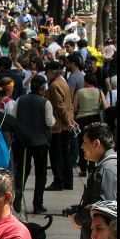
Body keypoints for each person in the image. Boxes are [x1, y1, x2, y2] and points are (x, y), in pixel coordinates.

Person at [70, 122, 117, 239]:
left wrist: (78, 219)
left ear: (96, 143)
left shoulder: (105, 169)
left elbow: (102, 207)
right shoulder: (108, 165)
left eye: (85, 142)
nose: (82, 146)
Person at [10, 75, 56, 214]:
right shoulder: (45, 103)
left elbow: (13, 117)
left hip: (23, 142)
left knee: (22, 171)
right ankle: (38, 204)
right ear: (43, 88)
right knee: (41, 174)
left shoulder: (20, 100)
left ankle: (18, 195)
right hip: (40, 142)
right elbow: (50, 122)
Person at [44, 60, 76, 191]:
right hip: (65, 123)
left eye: (47, 72)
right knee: (65, 154)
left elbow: (60, 106)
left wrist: (68, 122)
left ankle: (59, 181)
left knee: (56, 155)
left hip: (58, 125)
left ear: (51, 72)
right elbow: (69, 105)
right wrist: (70, 120)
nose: (46, 75)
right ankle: (68, 181)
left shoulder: (54, 85)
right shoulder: (63, 82)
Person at [73, 73, 109, 177]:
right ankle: (92, 167)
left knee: (82, 143)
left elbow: (74, 108)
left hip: (82, 120)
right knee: (94, 143)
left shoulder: (80, 92)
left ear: (86, 81)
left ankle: (83, 168)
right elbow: (106, 106)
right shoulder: (99, 91)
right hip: (95, 119)